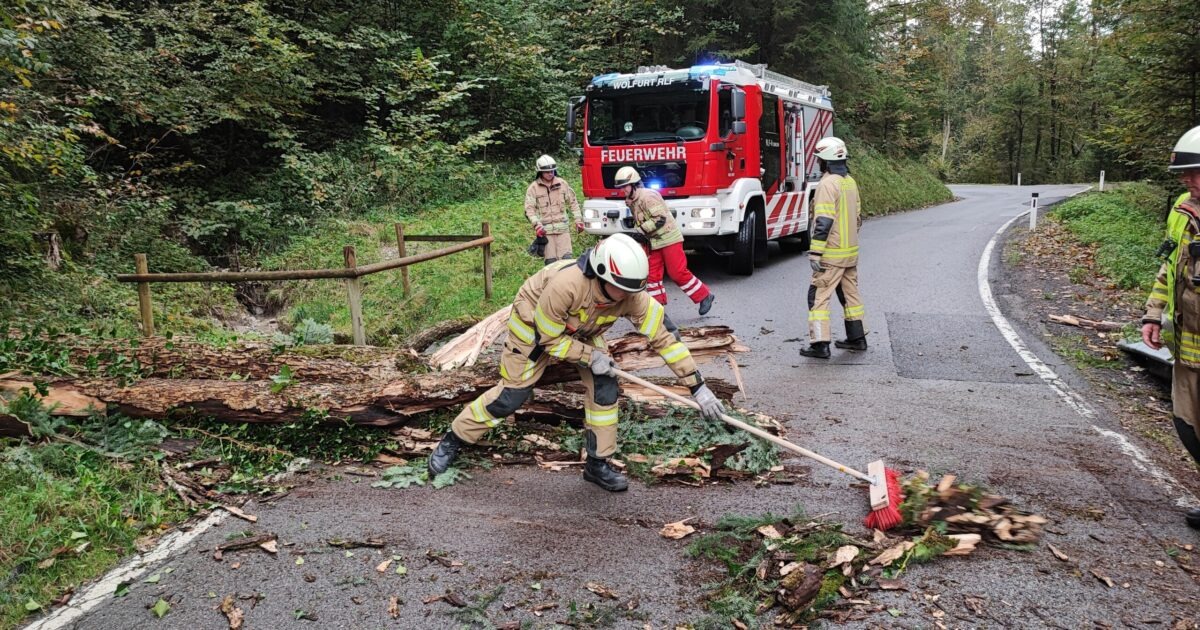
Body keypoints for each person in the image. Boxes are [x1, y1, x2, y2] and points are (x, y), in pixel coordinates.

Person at [427, 233, 727, 492]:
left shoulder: (631, 291)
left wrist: (697, 387)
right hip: (535, 330)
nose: (628, 296)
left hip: (582, 330)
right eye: (621, 288)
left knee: (605, 386)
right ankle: (454, 438)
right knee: (511, 397)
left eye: (634, 289)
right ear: (600, 273)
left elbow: (666, 340)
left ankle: (597, 463)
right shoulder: (565, 286)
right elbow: (549, 339)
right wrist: (589, 356)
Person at [1140, 124, 1200, 529]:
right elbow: (1168, 266)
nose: (1187, 179)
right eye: (1185, 173)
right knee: (1187, 424)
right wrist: (1152, 313)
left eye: (1196, 172)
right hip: (1189, 348)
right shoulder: (1182, 209)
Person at [613, 166, 715, 316]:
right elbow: (642, 220)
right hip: (654, 241)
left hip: (669, 239)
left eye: (625, 187)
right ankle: (657, 308)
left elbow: (660, 219)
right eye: (621, 188)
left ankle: (704, 295)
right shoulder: (632, 200)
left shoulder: (648, 197)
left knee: (677, 273)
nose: (623, 191)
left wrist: (640, 231)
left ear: (634, 184)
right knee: (652, 276)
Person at [800, 137, 867, 359]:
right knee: (850, 296)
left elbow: (824, 221)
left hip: (831, 254)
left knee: (818, 296)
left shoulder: (828, 184)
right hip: (850, 253)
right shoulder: (850, 182)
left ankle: (820, 345)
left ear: (824, 161)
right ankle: (857, 339)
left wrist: (816, 252)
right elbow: (857, 218)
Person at [524, 155, 583, 265]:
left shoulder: (562, 184)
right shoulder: (533, 188)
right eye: (547, 172)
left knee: (567, 261)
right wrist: (537, 225)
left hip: (563, 231)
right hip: (546, 233)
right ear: (540, 172)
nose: (550, 173)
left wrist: (578, 220)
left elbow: (573, 203)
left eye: (552, 171)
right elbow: (529, 209)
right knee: (551, 264)